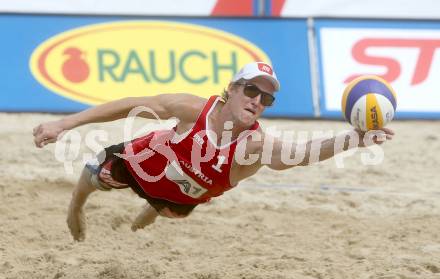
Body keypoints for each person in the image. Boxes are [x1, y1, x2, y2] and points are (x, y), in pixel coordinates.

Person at [33, 62, 394, 241]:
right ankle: (76, 206)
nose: (257, 100)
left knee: (170, 209)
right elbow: (130, 106)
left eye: (266, 97)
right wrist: (64, 125)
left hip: (182, 197)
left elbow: (296, 154)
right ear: (232, 89)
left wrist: (354, 139)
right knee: (97, 171)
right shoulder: (193, 109)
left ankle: (154, 208)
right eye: (251, 90)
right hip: (143, 165)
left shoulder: (253, 143)